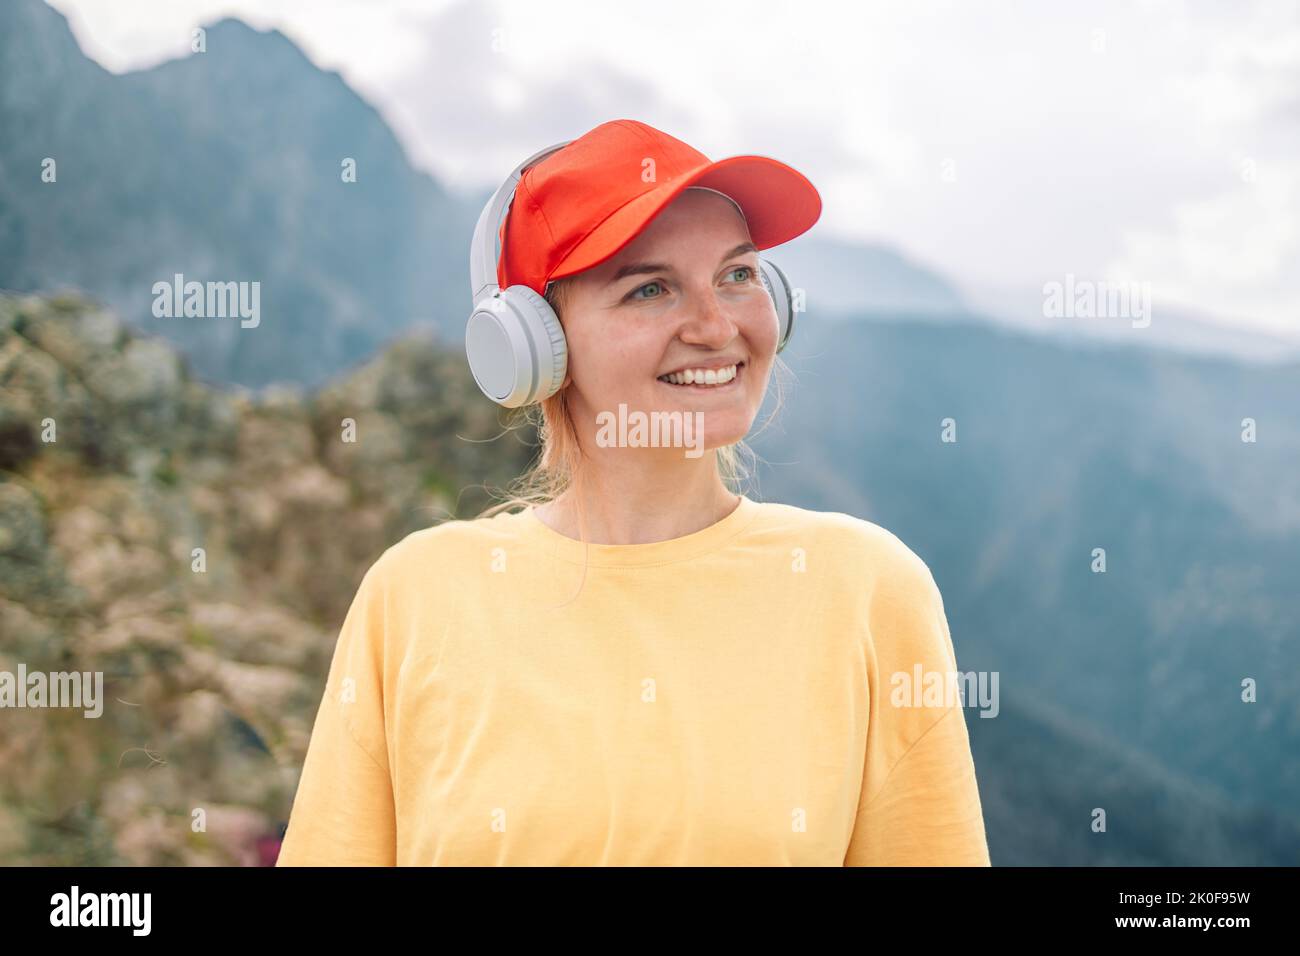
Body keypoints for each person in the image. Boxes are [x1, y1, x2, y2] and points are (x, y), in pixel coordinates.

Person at [276, 119, 991, 866]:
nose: (716, 326)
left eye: (737, 275)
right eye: (650, 288)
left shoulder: (870, 590)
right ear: (533, 345)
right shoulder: (413, 598)